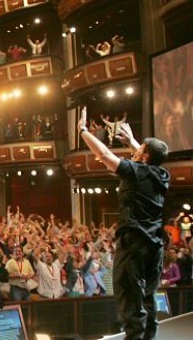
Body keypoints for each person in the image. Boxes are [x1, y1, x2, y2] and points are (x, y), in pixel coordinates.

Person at [77, 107, 169, 340]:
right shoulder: (161, 175)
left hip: (134, 243)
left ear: (145, 156)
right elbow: (147, 158)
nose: (136, 152)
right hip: (155, 246)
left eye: (141, 150)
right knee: (148, 298)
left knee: (129, 296)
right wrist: (132, 141)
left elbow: (106, 154)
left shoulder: (135, 171)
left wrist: (84, 132)